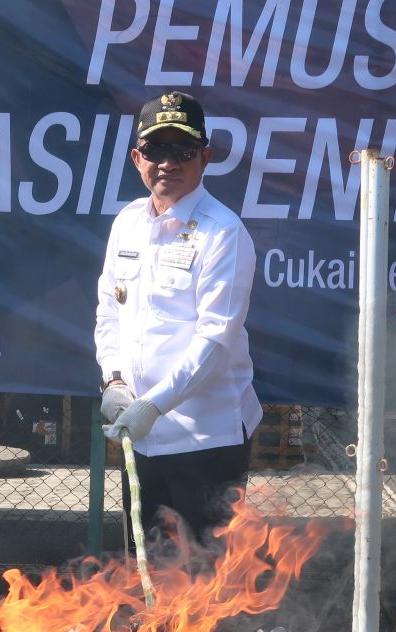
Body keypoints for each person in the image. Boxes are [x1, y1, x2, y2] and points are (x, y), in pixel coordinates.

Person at [94, 91, 262, 547]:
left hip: (205, 441)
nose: (168, 162)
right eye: (156, 149)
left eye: (182, 149)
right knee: (145, 572)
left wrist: (154, 405)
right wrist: (113, 383)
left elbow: (216, 339)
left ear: (205, 157)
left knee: (203, 590)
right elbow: (109, 311)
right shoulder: (127, 222)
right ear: (136, 158)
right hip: (141, 437)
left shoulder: (223, 231)